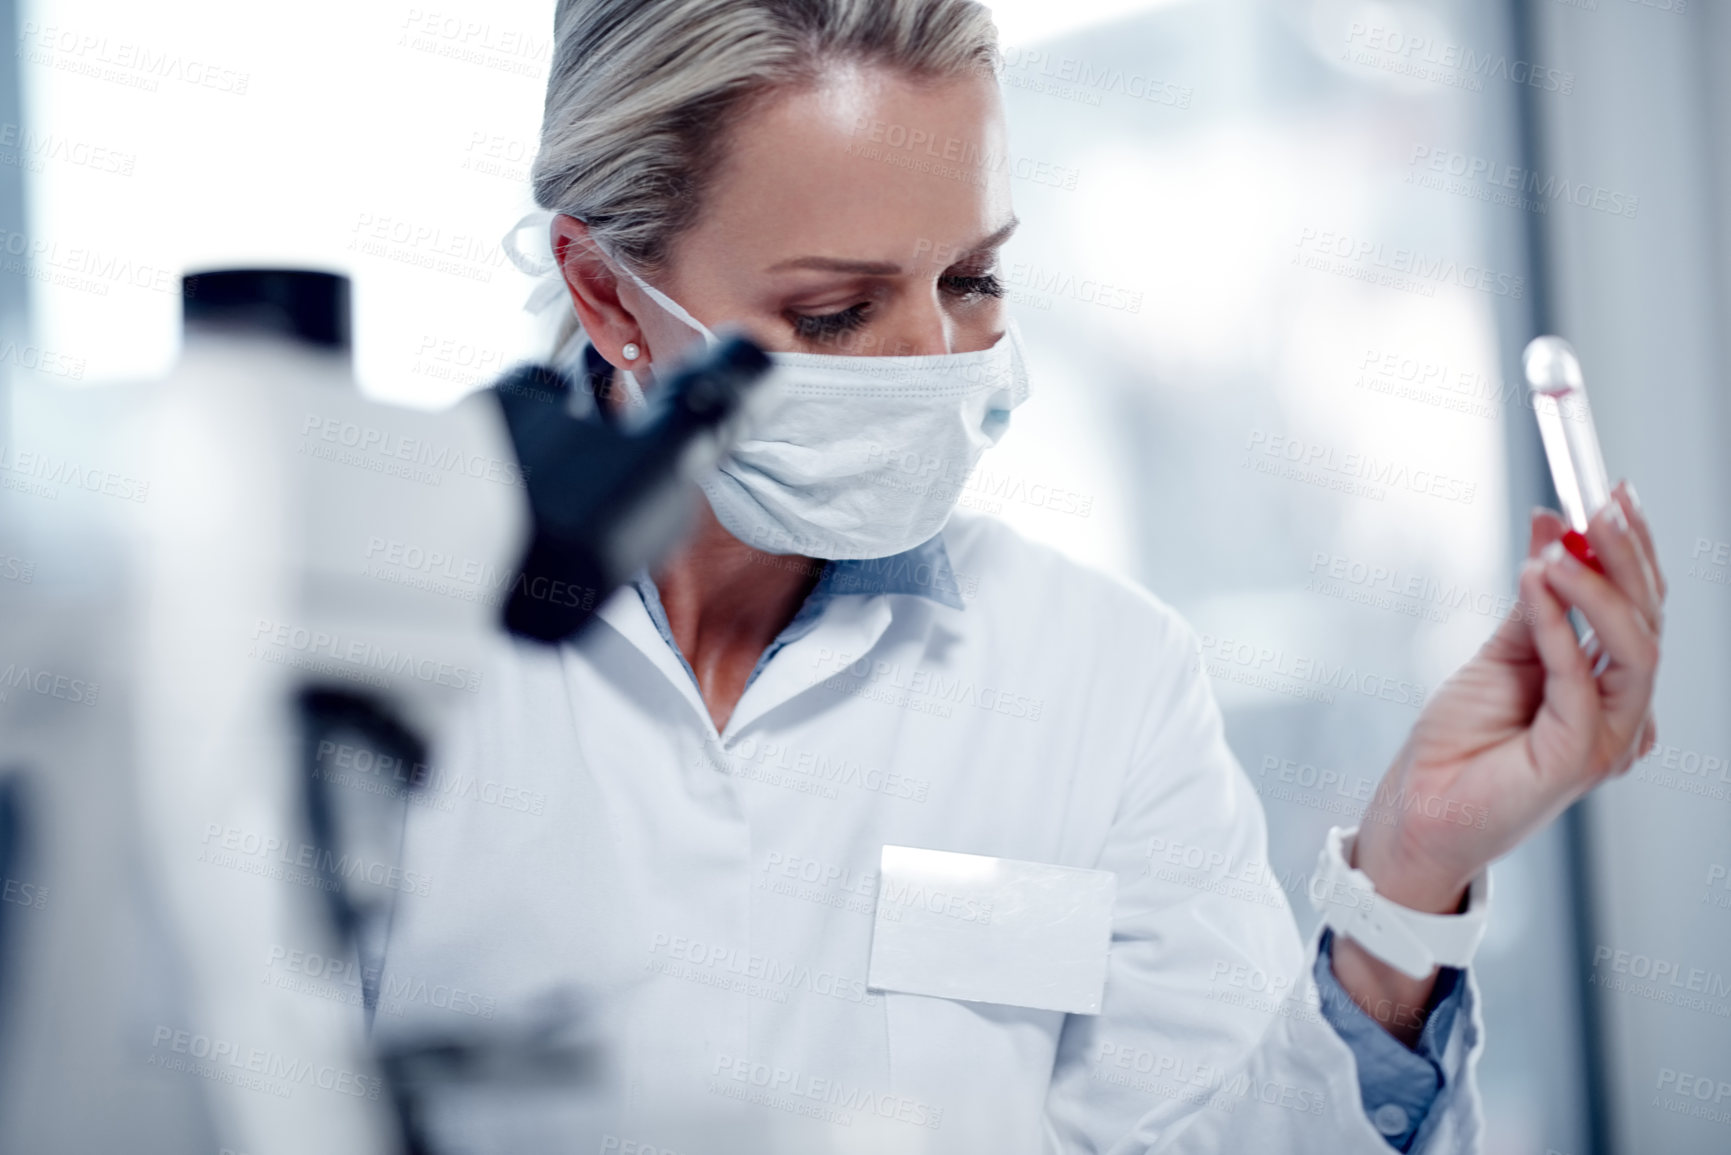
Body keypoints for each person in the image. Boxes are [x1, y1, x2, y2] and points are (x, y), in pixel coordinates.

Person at [372, 1, 1667, 1151]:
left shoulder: (1103, 680)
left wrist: (1404, 891)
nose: (939, 358)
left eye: (974, 278)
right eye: (835, 312)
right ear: (605, 294)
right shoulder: (367, 662)